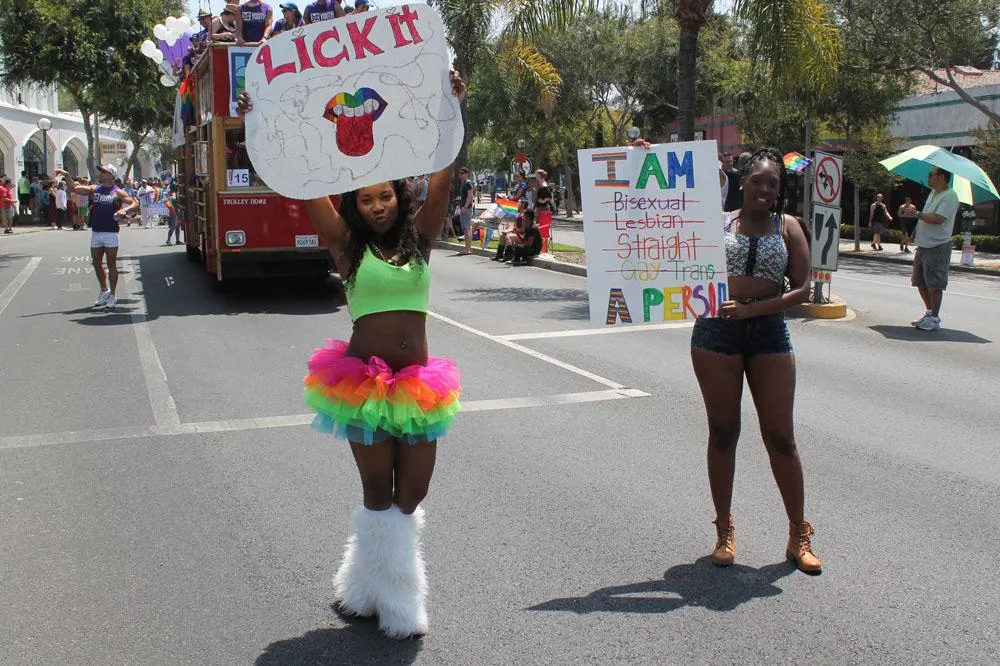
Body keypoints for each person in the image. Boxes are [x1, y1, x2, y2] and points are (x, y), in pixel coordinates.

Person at [236, 69, 467, 640]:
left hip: (419, 384)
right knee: (378, 492)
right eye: (366, 200)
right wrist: (259, 120)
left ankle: (361, 587)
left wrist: (451, 107)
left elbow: (443, 179)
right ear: (356, 206)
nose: (377, 206)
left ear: (398, 197)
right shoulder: (345, 248)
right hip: (364, 384)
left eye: (385, 196)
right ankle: (397, 604)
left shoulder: (422, 239)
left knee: (413, 493)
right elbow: (303, 183)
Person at [669, 145, 821, 574]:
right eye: (757, 181)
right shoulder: (716, 222)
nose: (764, 189)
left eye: (773, 183)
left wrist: (754, 310)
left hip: (769, 332)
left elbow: (802, 289)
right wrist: (642, 162)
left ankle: (798, 533)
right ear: (743, 182)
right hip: (715, 331)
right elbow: (666, 231)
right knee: (723, 432)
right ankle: (723, 530)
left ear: (779, 190)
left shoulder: (788, 226)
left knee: (781, 436)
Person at [54, 165, 138, 311]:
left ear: (111, 176)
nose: (101, 174)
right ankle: (104, 290)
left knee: (111, 264)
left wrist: (124, 210)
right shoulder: (95, 188)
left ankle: (113, 295)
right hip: (97, 232)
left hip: (111, 232)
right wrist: (66, 175)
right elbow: (74, 188)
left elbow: (135, 204)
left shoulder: (117, 192)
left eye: (104, 172)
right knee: (96, 262)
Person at [911, 168, 959, 331]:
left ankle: (934, 318)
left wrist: (917, 214)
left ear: (941, 177)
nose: (928, 176)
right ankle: (929, 312)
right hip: (923, 245)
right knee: (919, 281)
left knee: (935, 284)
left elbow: (938, 219)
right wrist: (914, 232)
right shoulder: (933, 193)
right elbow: (925, 216)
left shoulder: (950, 196)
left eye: (931, 174)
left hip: (937, 246)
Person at [457, 166, 475, 255]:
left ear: (467, 174)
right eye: (459, 173)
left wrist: (465, 207)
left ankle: (467, 249)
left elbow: (470, 196)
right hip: (464, 208)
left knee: (466, 229)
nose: (460, 175)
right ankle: (468, 248)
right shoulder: (464, 183)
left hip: (466, 209)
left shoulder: (468, 183)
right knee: (468, 228)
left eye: (462, 173)